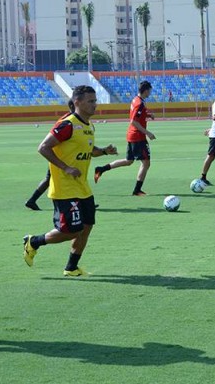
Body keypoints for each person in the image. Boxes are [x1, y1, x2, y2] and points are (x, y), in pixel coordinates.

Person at [22, 85, 117, 276]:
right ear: (77, 102)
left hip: (83, 188)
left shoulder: (89, 125)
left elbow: (88, 151)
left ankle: (71, 267)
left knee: (87, 226)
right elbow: (43, 147)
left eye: (95, 101)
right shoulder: (68, 124)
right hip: (65, 188)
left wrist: (105, 151)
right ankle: (34, 242)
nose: (94, 105)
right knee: (72, 230)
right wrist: (65, 168)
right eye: (90, 101)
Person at [93, 80, 155, 196]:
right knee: (146, 163)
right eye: (150, 90)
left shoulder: (136, 100)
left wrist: (148, 115)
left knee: (129, 161)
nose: (150, 92)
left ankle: (101, 169)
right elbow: (134, 121)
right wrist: (148, 133)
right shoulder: (140, 103)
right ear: (146, 90)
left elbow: (136, 115)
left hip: (132, 135)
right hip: (138, 137)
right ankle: (137, 190)